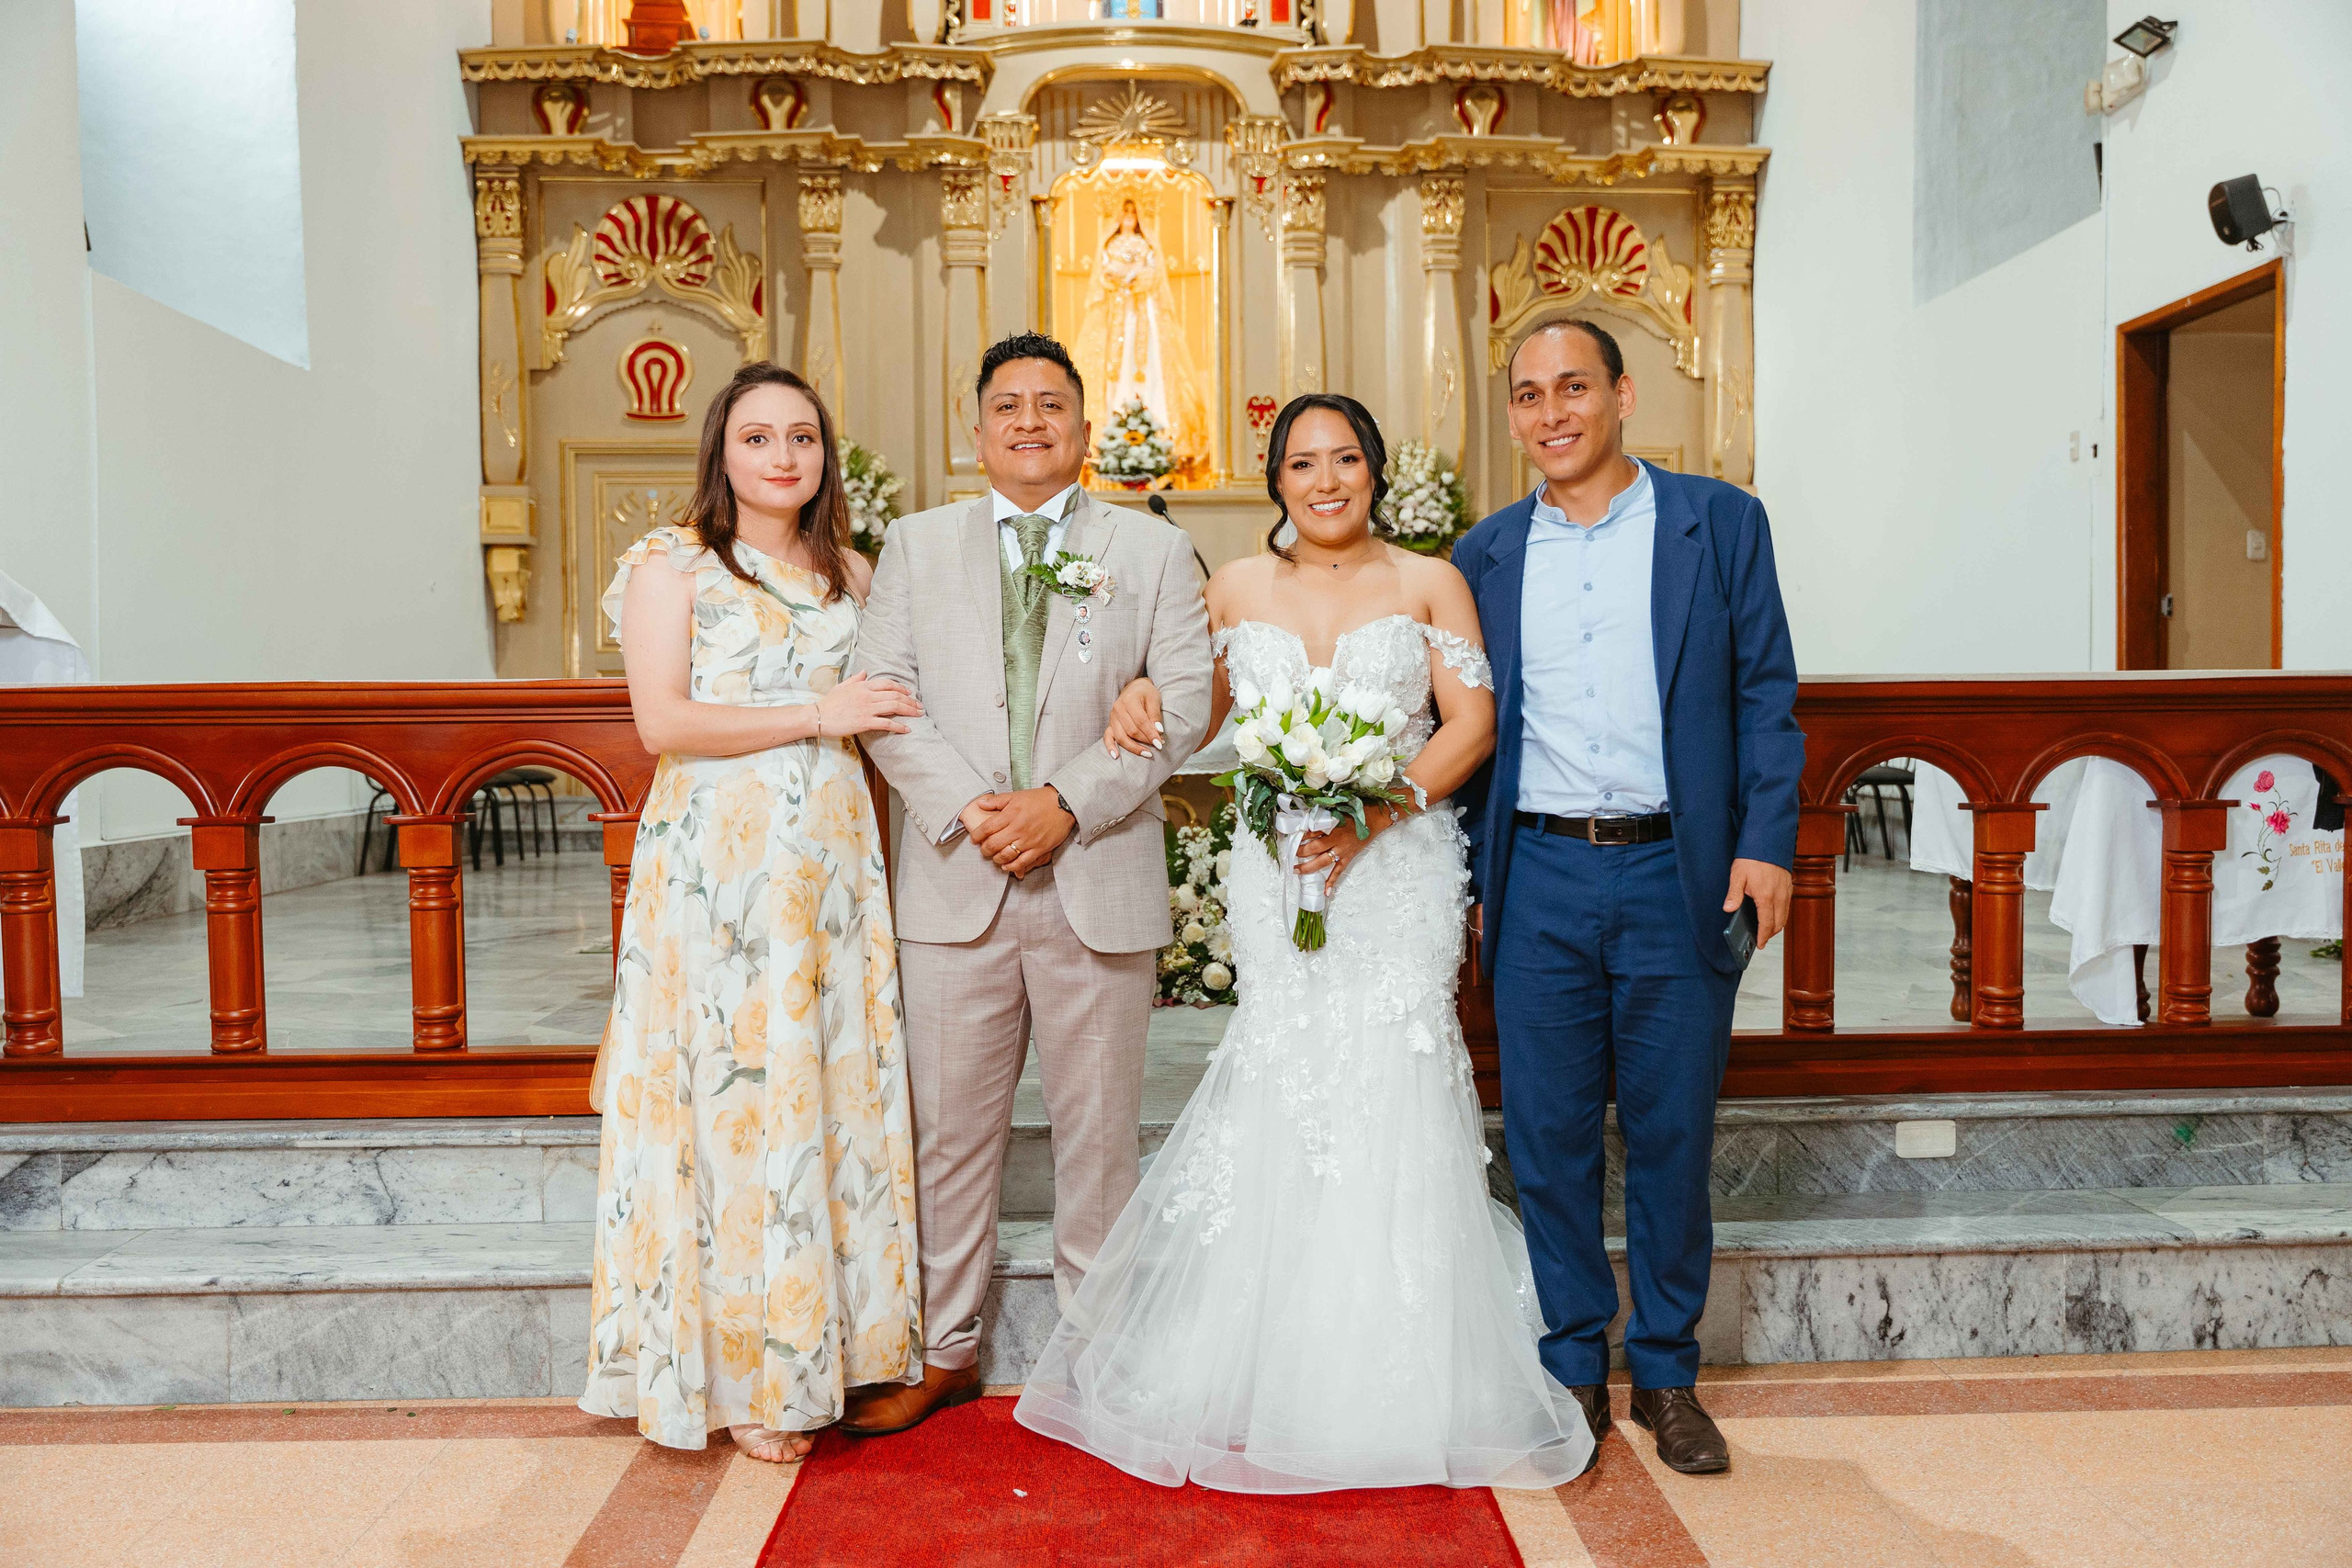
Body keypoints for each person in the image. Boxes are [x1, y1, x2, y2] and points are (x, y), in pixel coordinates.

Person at [1014, 393, 1595, 1493]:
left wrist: (1377, 812)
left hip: (1397, 865)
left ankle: (1396, 1363)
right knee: (1285, 1063)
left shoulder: (1430, 581)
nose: (1325, 481)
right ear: (1275, 479)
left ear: (1374, 470)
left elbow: (1471, 723)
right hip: (1276, 866)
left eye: (1344, 460)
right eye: (1301, 464)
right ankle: (1264, 1347)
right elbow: (1193, 710)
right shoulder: (1232, 587)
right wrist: (1136, 692)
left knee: (1391, 1065)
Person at [843, 332, 1214, 1436]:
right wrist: (974, 809)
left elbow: (1184, 703)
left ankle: (1097, 1360)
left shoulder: (1151, 549)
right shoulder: (916, 545)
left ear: (1084, 429)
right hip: (956, 880)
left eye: (1051, 403)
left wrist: (1064, 802)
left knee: (1098, 1140)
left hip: (1093, 874)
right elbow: (882, 693)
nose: (1028, 421)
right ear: (976, 431)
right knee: (949, 1135)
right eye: (1007, 405)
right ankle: (943, 1349)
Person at [1453, 319, 1803, 1475]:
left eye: (1572, 388)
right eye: (1528, 395)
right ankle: (1570, 1367)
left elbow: (1764, 695)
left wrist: (1766, 842)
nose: (1550, 413)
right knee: (1546, 1137)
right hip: (1539, 872)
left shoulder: (1718, 523)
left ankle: (1663, 1372)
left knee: (1670, 1129)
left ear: (1622, 394)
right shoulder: (1484, 555)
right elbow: (1463, 727)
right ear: (1511, 415)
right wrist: (1470, 880)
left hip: (1676, 870)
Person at [582, 362, 927, 1463]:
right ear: (720, 453)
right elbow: (663, 723)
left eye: (803, 437)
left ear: (826, 456)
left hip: (829, 871)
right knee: (730, 1097)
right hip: (717, 872)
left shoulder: (854, 574)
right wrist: (818, 712)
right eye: (758, 437)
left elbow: (915, 699)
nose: (783, 456)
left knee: (817, 1093)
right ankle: (736, 1375)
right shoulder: (671, 564)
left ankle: (825, 1346)